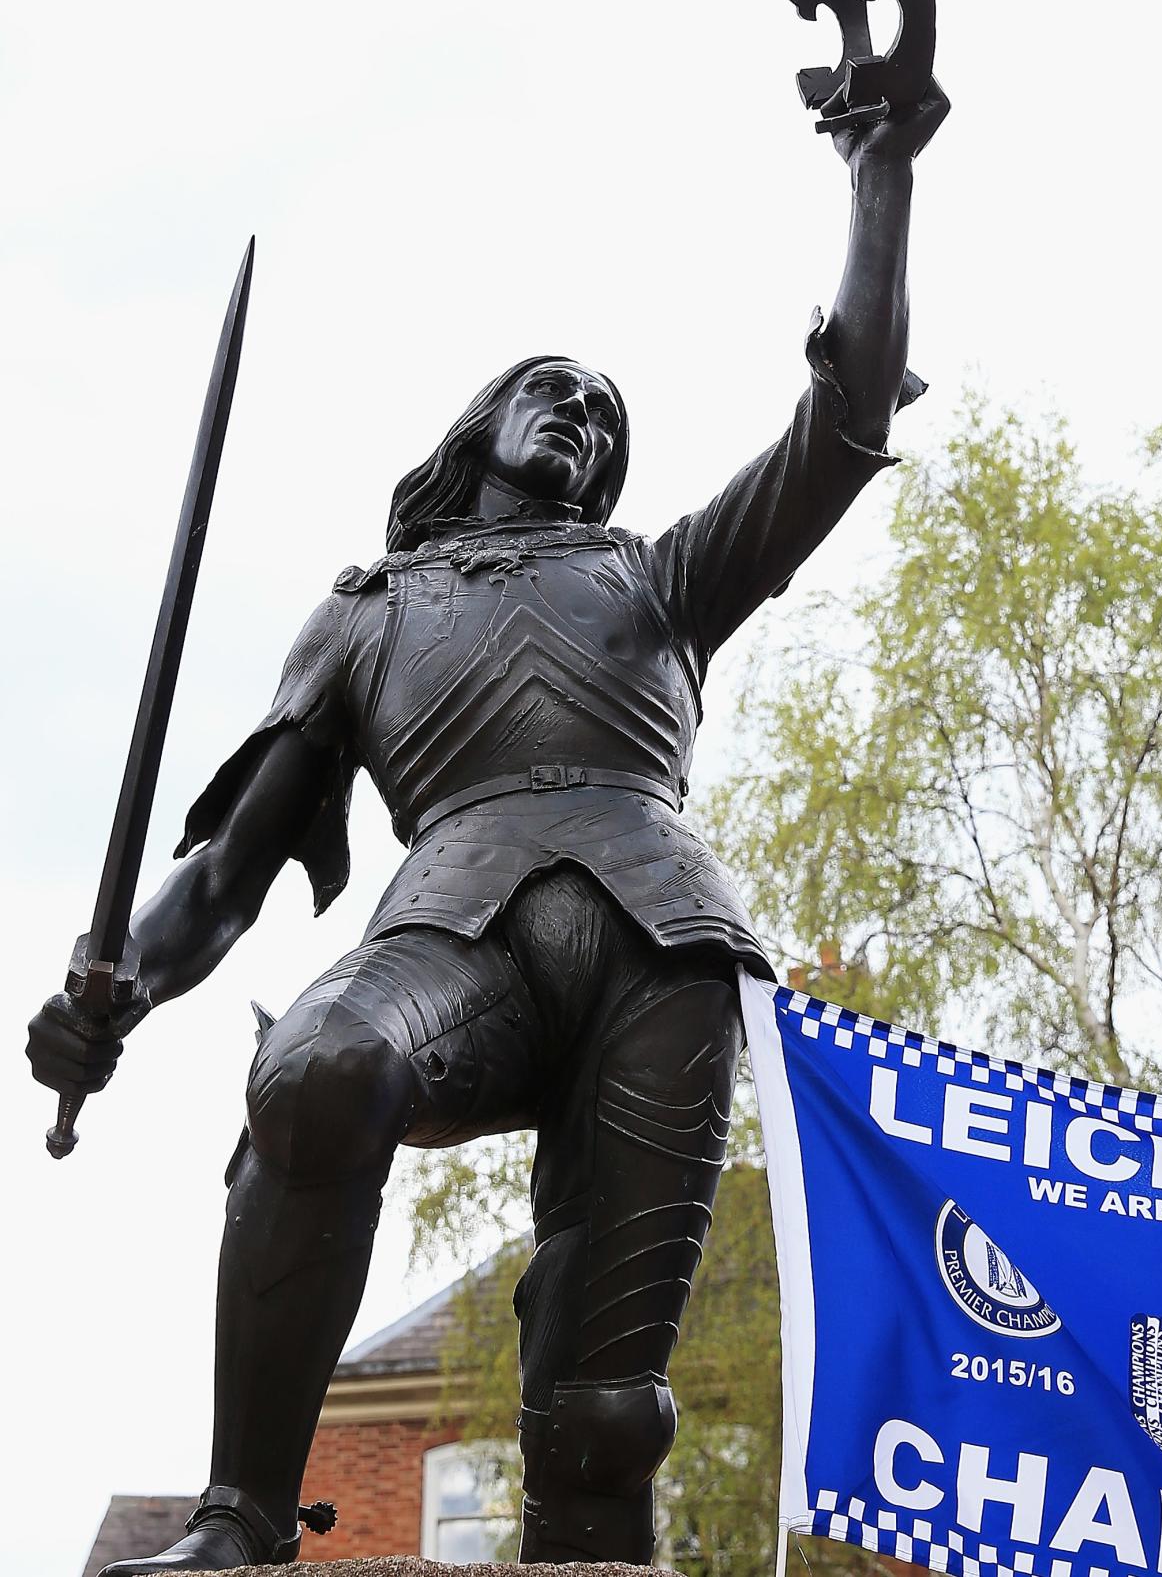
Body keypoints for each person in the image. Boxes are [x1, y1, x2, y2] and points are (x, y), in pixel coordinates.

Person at [28, 83, 948, 1573]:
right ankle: (241, 1517)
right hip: (453, 928)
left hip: (663, 952)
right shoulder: (369, 609)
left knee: (598, 1411)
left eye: (605, 413)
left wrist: (880, 181)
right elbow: (221, 876)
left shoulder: (655, 582)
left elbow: (840, 429)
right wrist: (119, 988)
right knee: (318, 1068)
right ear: (482, 426)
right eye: (554, 390)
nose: (581, 416)